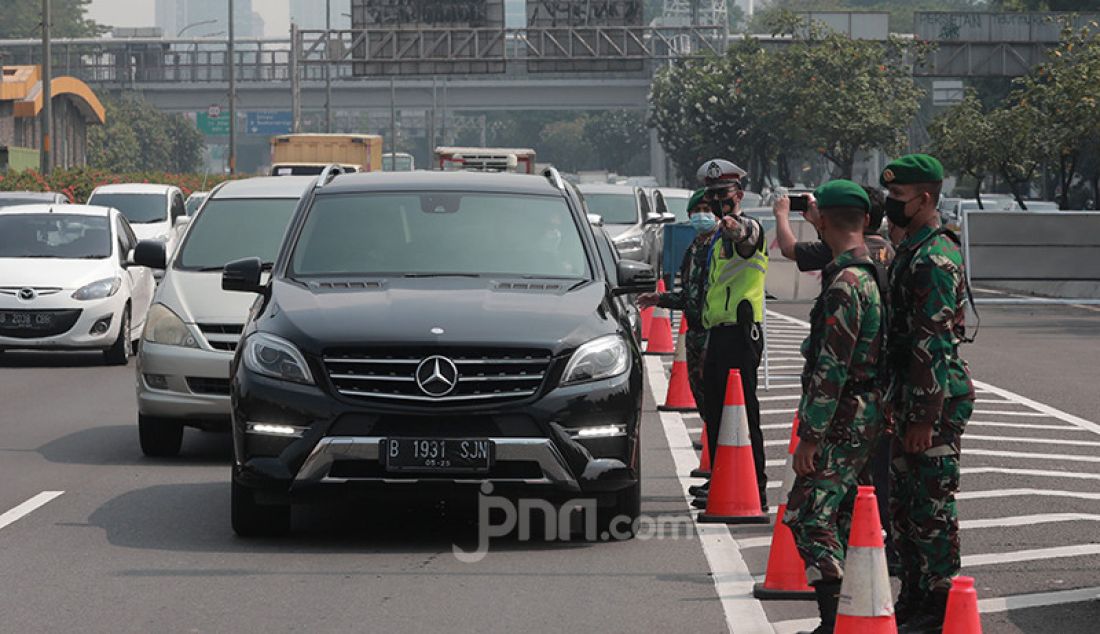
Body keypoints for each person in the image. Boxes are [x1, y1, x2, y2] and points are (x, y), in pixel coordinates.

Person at [774, 185, 899, 572]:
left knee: (807, 517)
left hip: (844, 416)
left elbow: (831, 370)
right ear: (865, 220)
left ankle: (835, 621)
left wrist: (809, 437)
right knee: (845, 515)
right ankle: (852, 614)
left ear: (821, 220)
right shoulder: (874, 272)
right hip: (869, 411)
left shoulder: (845, 283)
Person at [880, 154, 975, 633]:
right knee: (904, 506)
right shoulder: (911, 249)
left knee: (931, 505)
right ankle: (915, 594)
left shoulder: (935, 257)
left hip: (934, 399)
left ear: (926, 199)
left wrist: (922, 416)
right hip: (910, 396)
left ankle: (939, 602)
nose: (891, 205)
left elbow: (932, 341)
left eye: (898, 198)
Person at [693, 158, 770, 512]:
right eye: (712, 196)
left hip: (741, 332)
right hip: (718, 332)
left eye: (723, 194)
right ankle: (722, 478)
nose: (717, 202)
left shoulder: (747, 227)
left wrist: (733, 226)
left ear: (738, 194)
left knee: (742, 412)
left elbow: (745, 236)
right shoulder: (713, 238)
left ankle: (755, 484)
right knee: (716, 411)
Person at [637, 189, 713, 416]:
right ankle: (712, 442)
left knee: (717, 397)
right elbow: (689, 296)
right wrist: (659, 299)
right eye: (697, 211)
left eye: (707, 210)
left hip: (714, 333)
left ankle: (720, 446)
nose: (702, 216)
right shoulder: (693, 250)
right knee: (701, 395)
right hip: (694, 335)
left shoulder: (721, 247)